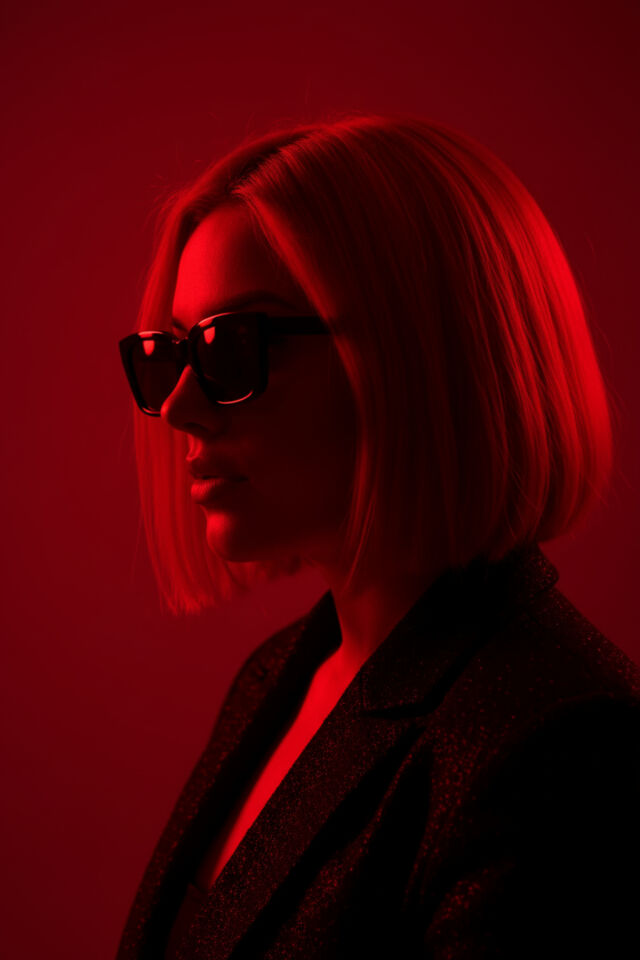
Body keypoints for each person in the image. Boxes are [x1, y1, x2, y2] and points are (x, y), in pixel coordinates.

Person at [116, 113, 640, 959]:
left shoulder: (564, 747)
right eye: (171, 350)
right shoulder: (278, 676)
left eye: (231, 344)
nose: (177, 405)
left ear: (422, 355)